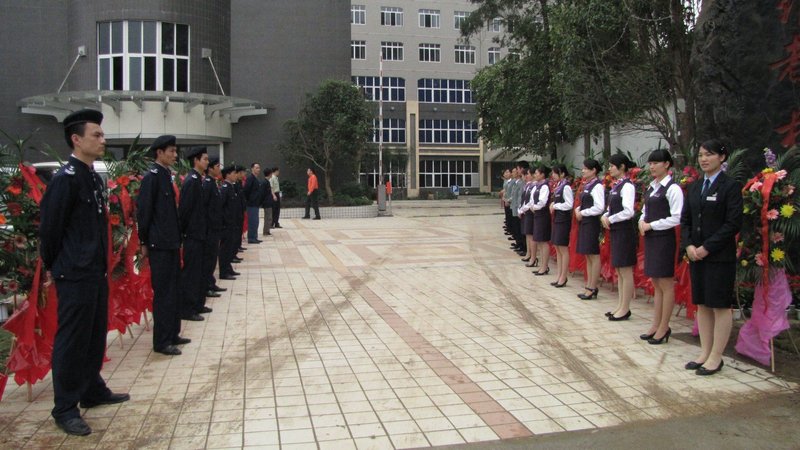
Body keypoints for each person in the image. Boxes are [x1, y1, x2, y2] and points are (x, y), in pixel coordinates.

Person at [39, 109, 130, 436]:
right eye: (97, 135)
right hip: (74, 274)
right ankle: (64, 407)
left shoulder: (91, 177)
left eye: (102, 135)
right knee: (72, 340)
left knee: (93, 335)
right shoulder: (65, 179)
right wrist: (55, 268)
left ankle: (92, 389)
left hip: (95, 272)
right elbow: (50, 231)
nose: (103, 140)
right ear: (76, 139)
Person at [681, 140, 742, 375]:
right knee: (703, 304)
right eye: (701, 155)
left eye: (710, 155)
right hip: (696, 255)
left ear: (722, 158)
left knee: (719, 306)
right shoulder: (695, 187)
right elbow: (686, 220)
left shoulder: (730, 186)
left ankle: (717, 356)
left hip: (719, 256)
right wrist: (688, 246)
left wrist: (707, 247)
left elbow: (732, 224)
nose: (704, 159)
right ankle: (705, 352)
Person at [137, 135, 188, 357]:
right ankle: (162, 340)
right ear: (159, 152)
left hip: (171, 242)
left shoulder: (166, 175)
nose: (175, 155)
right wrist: (144, 242)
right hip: (159, 244)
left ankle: (173, 333)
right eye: (171, 151)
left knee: (174, 290)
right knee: (164, 293)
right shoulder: (152, 177)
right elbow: (145, 212)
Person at [639, 149, 683, 344]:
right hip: (650, 237)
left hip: (664, 239)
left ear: (667, 164)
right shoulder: (652, 187)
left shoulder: (673, 188)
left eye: (656, 163)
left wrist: (652, 225)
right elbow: (644, 209)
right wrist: (641, 221)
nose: (652, 167)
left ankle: (665, 326)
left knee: (665, 283)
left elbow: (676, 217)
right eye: (650, 163)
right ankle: (656, 324)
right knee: (656, 283)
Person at [601, 154, 637, 320]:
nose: (609, 169)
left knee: (625, 270)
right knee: (619, 270)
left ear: (622, 167)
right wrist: (605, 215)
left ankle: (625, 307)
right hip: (616, 230)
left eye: (612, 166)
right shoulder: (617, 185)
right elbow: (612, 207)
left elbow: (628, 211)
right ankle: (620, 305)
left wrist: (611, 218)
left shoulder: (628, 186)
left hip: (624, 231)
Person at [178, 146, 209, 322]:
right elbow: (185, 210)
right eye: (204, 159)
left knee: (198, 271)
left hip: (199, 233)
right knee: (191, 273)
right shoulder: (191, 181)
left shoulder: (198, 179)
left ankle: (197, 304)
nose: (207, 162)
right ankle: (188, 308)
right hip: (192, 235)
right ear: (196, 161)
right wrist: (184, 233)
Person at [575, 158, 605, 300]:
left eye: (586, 168)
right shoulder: (588, 185)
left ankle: (593, 286)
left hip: (591, 223)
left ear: (594, 170)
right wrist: (579, 209)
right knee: (587, 255)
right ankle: (589, 284)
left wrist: (583, 212)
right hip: (584, 222)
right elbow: (585, 202)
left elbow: (599, 207)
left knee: (593, 255)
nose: (583, 171)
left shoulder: (597, 186)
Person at [203, 157, 226, 298]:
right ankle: (206, 286)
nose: (219, 169)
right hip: (210, 228)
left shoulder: (213, 183)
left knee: (212, 258)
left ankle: (211, 282)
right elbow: (205, 208)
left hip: (215, 227)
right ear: (210, 168)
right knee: (209, 258)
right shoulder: (207, 184)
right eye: (217, 166)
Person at [550, 164, 573, 288]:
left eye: (555, 173)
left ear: (562, 174)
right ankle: (559, 275)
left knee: (563, 249)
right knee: (558, 249)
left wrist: (555, 206)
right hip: (557, 219)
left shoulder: (566, 187)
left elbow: (569, 204)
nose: (552, 175)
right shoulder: (559, 186)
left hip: (563, 220)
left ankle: (563, 277)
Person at [218, 166, 241, 280]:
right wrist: (224, 221)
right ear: (227, 175)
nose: (235, 175)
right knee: (225, 248)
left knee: (229, 247)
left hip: (232, 222)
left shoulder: (231, 187)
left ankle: (228, 268)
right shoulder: (225, 188)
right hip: (226, 224)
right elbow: (221, 207)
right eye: (233, 173)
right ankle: (223, 271)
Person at [531, 165, 552, 276]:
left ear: (543, 174)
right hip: (537, 215)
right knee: (539, 240)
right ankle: (542, 265)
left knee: (543, 241)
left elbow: (542, 202)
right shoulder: (538, 185)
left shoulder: (544, 186)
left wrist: (534, 207)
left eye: (537, 173)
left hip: (543, 215)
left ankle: (545, 266)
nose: (535, 175)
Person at [517, 169, 536, 265]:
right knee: (527, 235)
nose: (526, 176)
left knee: (530, 235)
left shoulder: (533, 186)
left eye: (527, 174)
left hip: (530, 212)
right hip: (525, 212)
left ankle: (533, 256)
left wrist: (523, 209)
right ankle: (529, 253)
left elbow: (530, 202)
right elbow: (523, 199)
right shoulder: (527, 186)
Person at [243, 162, 263, 243]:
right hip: (251, 204)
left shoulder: (256, 179)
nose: (258, 169)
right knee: (252, 221)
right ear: (252, 169)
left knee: (256, 221)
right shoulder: (250, 178)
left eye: (259, 168)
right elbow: (246, 191)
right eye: (256, 168)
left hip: (256, 204)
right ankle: (251, 238)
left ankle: (254, 237)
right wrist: (249, 200)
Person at [261, 167, 275, 236]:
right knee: (268, 217)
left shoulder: (267, 182)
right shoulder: (265, 182)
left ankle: (267, 230)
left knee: (269, 217)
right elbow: (263, 193)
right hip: (266, 203)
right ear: (270, 174)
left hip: (268, 202)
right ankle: (266, 231)